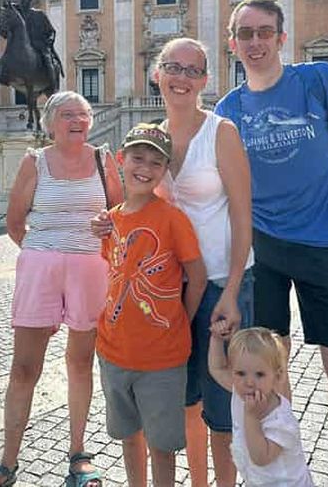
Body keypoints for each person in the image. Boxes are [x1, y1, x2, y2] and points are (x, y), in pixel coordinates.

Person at [214, 0, 328, 486]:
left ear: (281, 38)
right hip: (265, 253)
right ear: (232, 44)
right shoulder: (228, 109)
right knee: (269, 381)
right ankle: (282, 477)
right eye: (245, 34)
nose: (255, 42)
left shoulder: (320, 81)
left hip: (323, 246)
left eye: (264, 33)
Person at [0, 92, 122, 487]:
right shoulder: (33, 162)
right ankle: (7, 462)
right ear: (51, 122)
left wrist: (106, 227)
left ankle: (78, 452)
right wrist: (42, 254)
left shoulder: (103, 160)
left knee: (80, 363)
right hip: (41, 266)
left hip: (91, 266)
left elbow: (122, 215)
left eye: (84, 115)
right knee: (24, 368)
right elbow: (15, 222)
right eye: (69, 115)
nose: (78, 121)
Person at [153, 37, 254, 486]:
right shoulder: (152, 139)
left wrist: (232, 291)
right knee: (185, 399)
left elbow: (242, 213)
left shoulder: (222, 132)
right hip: (173, 290)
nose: (182, 78)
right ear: (157, 74)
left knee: (223, 407)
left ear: (205, 81)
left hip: (219, 283)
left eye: (193, 71)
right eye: (174, 67)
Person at [97, 123, 207, 487]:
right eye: (137, 158)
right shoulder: (110, 220)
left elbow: (198, 276)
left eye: (155, 162)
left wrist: (181, 320)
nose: (144, 168)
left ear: (165, 171)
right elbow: (112, 273)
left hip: (162, 359)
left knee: (162, 446)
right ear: (120, 161)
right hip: (113, 352)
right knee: (129, 437)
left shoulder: (172, 218)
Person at [208, 327, 314, 487]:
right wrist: (216, 339)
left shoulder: (281, 419)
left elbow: (261, 457)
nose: (249, 382)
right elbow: (216, 368)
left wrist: (252, 417)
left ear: (276, 376)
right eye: (240, 373)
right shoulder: (239, 391)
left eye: (259, 374)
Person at [14, 0, 64, 90]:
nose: (22, 2)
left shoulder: (39, 14)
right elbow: (0, 19)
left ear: (29, 1)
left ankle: (53, 85)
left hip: (39, 45)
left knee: (48, 60)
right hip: (24, 46)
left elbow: (52, 31)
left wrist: (50, 40)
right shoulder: (18, 15)